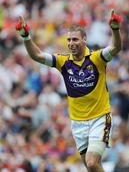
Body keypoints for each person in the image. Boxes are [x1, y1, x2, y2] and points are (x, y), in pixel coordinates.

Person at [15, 9, 122, 172]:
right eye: (69, 40)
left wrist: (115, 29)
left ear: (84, 40)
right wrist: (25, 35)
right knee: (90, 167)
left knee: (92, 162)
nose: (71, 43)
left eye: (75, 39)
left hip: (99, 118)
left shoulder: (98, 58)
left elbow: (115, 47)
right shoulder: (62, 61)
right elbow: (36, 55)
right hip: (78, 123)